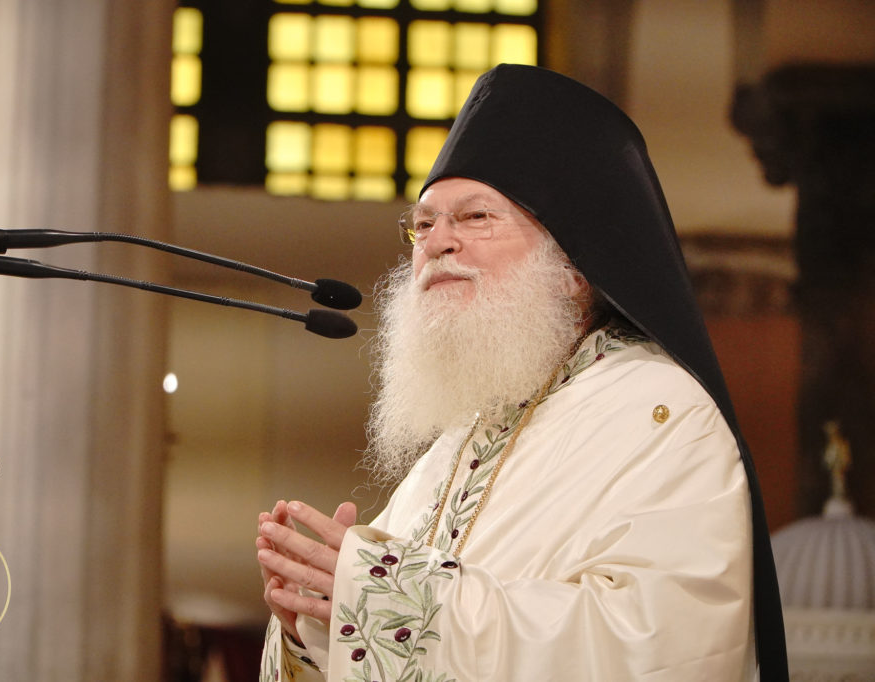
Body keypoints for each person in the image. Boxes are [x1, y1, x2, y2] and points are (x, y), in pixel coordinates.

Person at [255, 65, 788, 681]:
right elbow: (377, 622)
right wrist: (316, 626)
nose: (436, 243)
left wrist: (393, 600)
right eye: (423, 224)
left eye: (475, 217)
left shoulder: (662, 414)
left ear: (575, 266)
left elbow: (660, 647)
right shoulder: (464, 438)